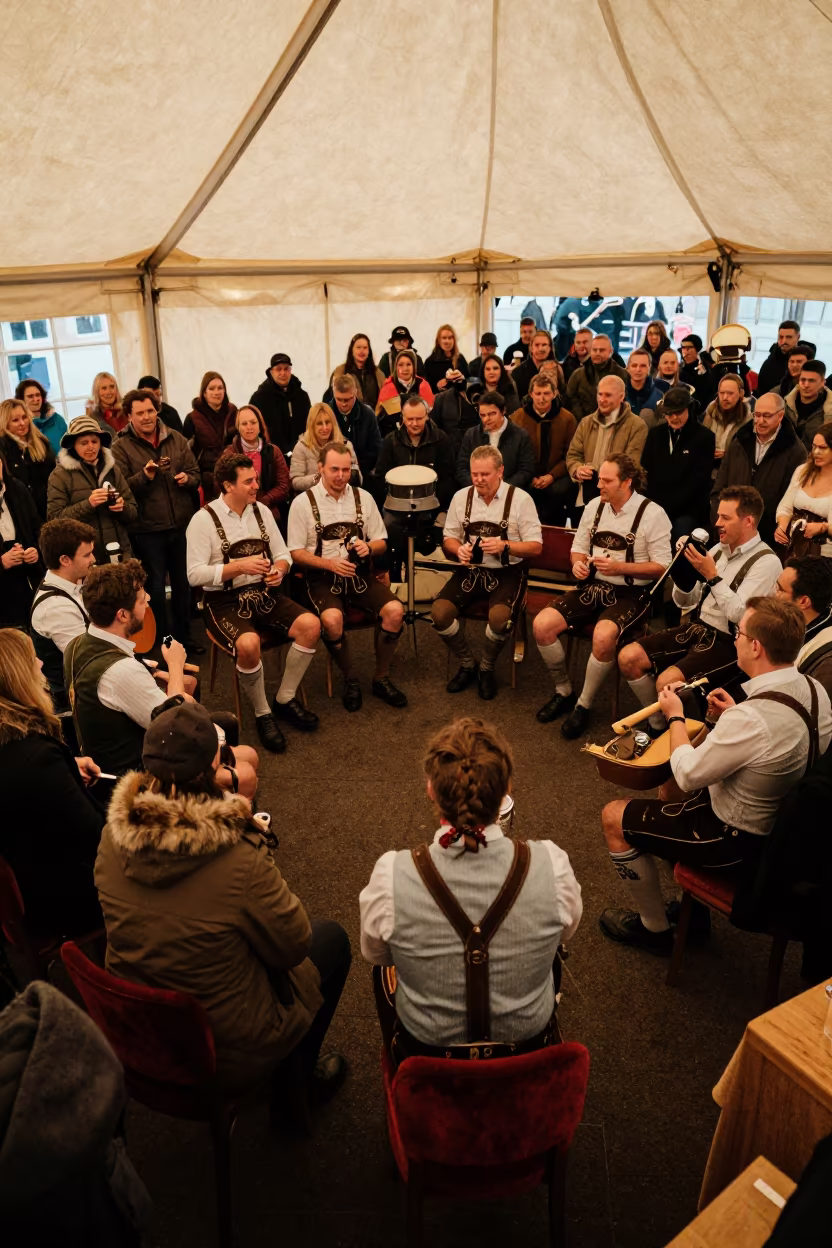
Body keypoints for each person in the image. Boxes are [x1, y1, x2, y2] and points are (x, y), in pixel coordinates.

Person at [95, 698, 350, 1098]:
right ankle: (296, 1090)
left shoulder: (112, 834)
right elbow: (293, 944)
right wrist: (253, 840)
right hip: (222, 1048)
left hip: (141, 1026)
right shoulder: (236, 856)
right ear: (213, 769)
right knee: (331, 939)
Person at [598, 597, 832, 955]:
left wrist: (674, 715)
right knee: (668, 796)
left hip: (735, 842)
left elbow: (689, 774)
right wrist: (732, 717)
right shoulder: (816, 690)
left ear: (755, 646)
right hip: (786, 833)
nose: (735, 639)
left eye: (739, 633)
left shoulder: (751, 719)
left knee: (615, 815)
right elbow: (777, 739)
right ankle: (694, 913)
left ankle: (654, 930)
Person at [359, 717, 582, 1057]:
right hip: (527, 1049)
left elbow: (376, 954)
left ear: (431, 790)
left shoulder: (391, 874)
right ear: (506, 790)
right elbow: (564, 934)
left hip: (429, 1055)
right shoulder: (552, 865)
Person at [65, 560, 257, 793]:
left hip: (107, 754)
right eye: (142, 599)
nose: (148, 602)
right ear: (122, 615)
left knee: (241, 750)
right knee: (246, 768)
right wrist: (175, 664)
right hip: (130, 781)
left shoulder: (77, 644)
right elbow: (176, 725)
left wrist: (152, 671)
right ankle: (233, 823)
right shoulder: (120, 671)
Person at [618, 485, 782, 732]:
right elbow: (686, 603)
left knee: (667, 682)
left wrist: (712, 576)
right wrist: (682, 574)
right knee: (628, 657)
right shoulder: (716, 551)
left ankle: (682, 734)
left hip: (732, 641)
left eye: (725, 517)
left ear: (748, 521)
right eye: (717, 516)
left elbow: (740, 616)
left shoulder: (767, 562)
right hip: (698, 628)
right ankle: (661, 723)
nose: (717, 523)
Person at [187, 452, 321, 751]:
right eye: (248, 481)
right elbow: (194, 575)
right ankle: (263, 713)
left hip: (264, 592)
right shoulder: (202, 520)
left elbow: (283, 553)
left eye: (256, 479)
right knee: (249, 645)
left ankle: (284, 698)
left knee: (311, 625)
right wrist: (239, 567)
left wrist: (279, 570)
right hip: (221, 601)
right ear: (227, 486)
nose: (256, 486)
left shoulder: (261, 511)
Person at [534, 454, 671, 737]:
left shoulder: (653, 514)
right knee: (542, 625)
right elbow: (578, 548)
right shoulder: (594, 507)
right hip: (593, 586)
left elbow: (661, 568)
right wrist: (578, 564)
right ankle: (564, 691)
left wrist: (621, 567)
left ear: (627, 482)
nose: (599, 485)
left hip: (632, 592)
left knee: (603, 636)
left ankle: (583, 705)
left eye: (607, 480)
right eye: (599, 479)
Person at [287, 441, 407, 711]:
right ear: (320, 468)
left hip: (359, 574)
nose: (341, 476)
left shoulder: (363, 497)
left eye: (346, 469)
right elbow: (294, 552)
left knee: (395, 611)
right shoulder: (302, 504)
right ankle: (350, 678)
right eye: (334, 470)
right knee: (332, 619)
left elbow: (382, 541)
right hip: (320, 578)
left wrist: (369, 546)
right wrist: (329, 565)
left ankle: (381, 677)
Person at [0, 628, 104, 938]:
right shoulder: (38, 758)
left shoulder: (15, 746)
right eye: (33, 659)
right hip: (67, 896)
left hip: (30, 877)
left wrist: (68, 767)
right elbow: (97, 838)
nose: (42, 665)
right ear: (18, 677)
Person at [432, 447, 542, 699]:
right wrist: (458, 549)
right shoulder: (461, 497)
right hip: (472, 570)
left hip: (508, 571)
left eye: (485, 474)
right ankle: (467, 663)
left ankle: (486, 667)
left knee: (500, 619)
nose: (479, 479)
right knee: (438, 614)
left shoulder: (521, 499)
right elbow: (448, 537)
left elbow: (536, 547)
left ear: (500, 471)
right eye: (474, 474)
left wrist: (506, 545)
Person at [112, 388, 202, 653]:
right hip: (147, 530)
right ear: (129, 416)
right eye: (140, 413)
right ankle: (163, 641)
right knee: (154, 590)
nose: (147, 417)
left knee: (183, 586)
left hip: (181, 525)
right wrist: (146, 475)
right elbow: (122, 488)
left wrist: (188, 480)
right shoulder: (120, 447)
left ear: (157, 410)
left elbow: (196, 473)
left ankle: (185, 637)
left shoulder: (175, 438)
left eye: (150, 410)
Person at [372, 396, 455, 577]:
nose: (414, 423)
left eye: (419, 418)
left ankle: (425, 575)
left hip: (432, 505)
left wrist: (436, 504)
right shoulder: (390, 441)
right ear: (402, 417)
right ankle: (393, 572)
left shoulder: (440, 440)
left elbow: (448, 478)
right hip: (395, 506)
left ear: (427, 416)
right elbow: (380, 477)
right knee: (388, 526)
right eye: (410, 419)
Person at [711, 392, 807, 545]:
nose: (760, 421)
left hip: (765, 535)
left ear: (780, 415)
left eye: (767, 416)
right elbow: (720, 484)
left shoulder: (795, 451)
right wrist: (721, 519)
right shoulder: (740, 440)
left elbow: (788, 498)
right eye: (757, 415)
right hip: (729, 529)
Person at [46, 415, 137, 565]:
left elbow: (133, 512)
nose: (91, 447)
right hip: (84, 559)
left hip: (120, 553)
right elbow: (55, 520)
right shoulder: (59, 475)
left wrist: (122, 507)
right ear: (73, 445)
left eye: (94, 441)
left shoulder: (113, 469)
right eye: (84, 443)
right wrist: (89, 504)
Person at [30, 517, 96, 710]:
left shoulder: (76, 583)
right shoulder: (55, 607)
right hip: (74, 704)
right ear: (65, 560)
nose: (93, 560)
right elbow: (89, 660)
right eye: (87, 555)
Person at [565, 375, 648, 516]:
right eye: (600, 394)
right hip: (586, 491)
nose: (602, 399)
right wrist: (577, 469)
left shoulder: (637, 426)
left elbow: (631, 465)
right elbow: (573, 455)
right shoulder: (586, 422)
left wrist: (606, 479)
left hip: (619, 497)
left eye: (608, 395)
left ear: (621, 397)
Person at [640, 387, 715, 541]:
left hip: (688, 509)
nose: (674, 417)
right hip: (656, 505)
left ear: (689, 409)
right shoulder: (655, 434)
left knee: (680, 531)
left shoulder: (704, 437)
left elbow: (699, 481)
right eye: (669, 413)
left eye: (678, 413)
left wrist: (667, 507)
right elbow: (646, 469)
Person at [511, 374, 577, 524]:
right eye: (538, 393)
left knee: (559, 492)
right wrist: (530, 476)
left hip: (556, 475)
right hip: (527, 474)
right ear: (531, 394)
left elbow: (571, 454)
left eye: (546, 393)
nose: (542, 398)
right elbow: (515, 454)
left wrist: (552, 476)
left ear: (554, 394)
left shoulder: (567, 419)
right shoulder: (517, 418)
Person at [776, 556, 832, 700]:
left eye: (780, 590)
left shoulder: (825, 660)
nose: (773, 595)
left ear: (803, 601)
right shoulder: (792, 625)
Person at [456, 390, 535, 490]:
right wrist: (478, 486)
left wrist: (500, 488)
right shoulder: (471, 435)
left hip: (509, 493)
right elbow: (461, 469)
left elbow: (526, 471)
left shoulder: (520, 435)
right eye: (482, 415)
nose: (486, 419)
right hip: (477, 492)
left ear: (503, 411)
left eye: (491, 414)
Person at [775, 423, 832, 560]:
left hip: (825, 555)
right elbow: (785, 506)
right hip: (793, 549)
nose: (816, 452)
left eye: (823, 448)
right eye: (814, 446)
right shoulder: (802, 471)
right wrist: (782, 526)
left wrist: (823, 527)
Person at [225, 404, 291, 523]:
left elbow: (284, 486)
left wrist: (263, 501)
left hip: (269, 510)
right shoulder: (229, 453)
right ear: (238, 428)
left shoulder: (274, 451)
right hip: (238, 513)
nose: (249, 427)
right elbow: (224, 486)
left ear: (260, 426)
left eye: (253, 423)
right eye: (244, 424)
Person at [0, 455, 44, 630]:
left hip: (27, 579)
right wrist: (2, 562)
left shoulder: (17, 488)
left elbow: (37, 527)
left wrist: (35, 550)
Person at [184, 370, 237, 502]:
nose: (216, 392)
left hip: (233, 475)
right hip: (206, 479)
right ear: (204, 392)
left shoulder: (234, 412)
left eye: (220, 388)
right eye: (211, 388)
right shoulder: (192, 418)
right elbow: (186, 453)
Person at [0, 397, 55, 519]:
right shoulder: (3, 449)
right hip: (22, 513)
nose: (22, 423)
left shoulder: (41, 441)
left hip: (48, 507)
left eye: (24, 417)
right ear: (5, 423)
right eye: (15, 420)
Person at [248, 352, 311, 459]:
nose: (283, 373)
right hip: (271, 456)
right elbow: (253, 428)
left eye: (286, 369)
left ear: (290, 371)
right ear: (271, 372)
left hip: (300, 454)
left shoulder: (301, 396)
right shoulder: (259, 398)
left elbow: (309, 424)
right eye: (278, 369)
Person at [290, 402, 359, 492]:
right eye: (319, 423)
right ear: (312, 425)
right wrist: (319, 477)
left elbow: (358, 477)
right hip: (313, 498)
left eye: (327, 422)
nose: (325, 428)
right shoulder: (301, 447)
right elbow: (296, 482)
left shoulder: (345, 445)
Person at [565, 333, 629, 422]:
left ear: (611, 351)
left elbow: (625, 401)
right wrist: (581, 417)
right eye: (595, 350)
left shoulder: (622, 374)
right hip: (582, 424)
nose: (597, 353)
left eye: (602, 350)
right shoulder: (578, 374)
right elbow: (570, 398)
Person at [330, 373, 382, 481]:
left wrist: (357, 469)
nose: (343, 404)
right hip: (332, 472)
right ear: (333, 395)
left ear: (356, 393)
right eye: (339, 399)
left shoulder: (368, 414)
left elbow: (376, 449)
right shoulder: (326, 413)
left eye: (347, 399)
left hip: (362, 473)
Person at [376, 348, 434, 437]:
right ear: (396, 367)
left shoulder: (423, 386)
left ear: (414, 367)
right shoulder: (388, 387)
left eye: (408, 364)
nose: (405, 368)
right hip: (394, 435)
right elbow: (384, 420)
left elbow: (430, 415)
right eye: (401, 365)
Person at [702, 373, 753, 468]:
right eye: (722, 393)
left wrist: (727, 455)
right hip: (709, 468)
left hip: (734, 470)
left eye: (730, 393)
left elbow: (750, 453)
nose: (725, 397)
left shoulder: (748, 419)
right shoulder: (710, 412)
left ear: (741, 394)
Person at [326, 333, 385, 412]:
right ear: (352, 350)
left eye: (365, 348)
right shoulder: (340, 372)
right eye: (358, 347)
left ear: (369, 351)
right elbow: (331, 398)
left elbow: (384, 398)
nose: (361, 351)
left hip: (374, 421)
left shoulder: (378, 374)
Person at [784, 360, 832, 450]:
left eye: (812, 381)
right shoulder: (786, 404)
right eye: (803, 380)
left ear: (823, 382)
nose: (806, 385)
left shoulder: (829, 411)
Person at [14, 377, 66, 453]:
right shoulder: (20, 425)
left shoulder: (57, 419)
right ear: (21, 399)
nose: (36, 399)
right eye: (30, 396)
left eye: (38, 395)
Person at [511, 329, 563, 402]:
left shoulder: (560, 369)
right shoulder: (518, 373)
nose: (540, 348)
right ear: (531, 348)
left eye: (544, 345)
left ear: (550, 348)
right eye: (537, 345)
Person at [755, 320, 802, 397]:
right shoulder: (769, 364)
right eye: (781, 337)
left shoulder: (807, 360)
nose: (784, 341)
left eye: (789, 337)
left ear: (798, 337)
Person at [423, 324, 469, 393]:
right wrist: (437, 386)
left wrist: (462, 380)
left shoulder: (460, 359)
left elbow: (469, 381)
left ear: (454, 340)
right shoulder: (430, 362)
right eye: (444, 338)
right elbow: (426, 388)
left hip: (459, 401)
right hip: (438, 401)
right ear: (438, 341)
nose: (447, 341)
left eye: (450, 338)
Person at [623, 348, 664, 418]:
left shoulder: (659, 397)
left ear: (649, 368)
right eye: (634, 365)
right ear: (628, 368)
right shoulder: (619, 394)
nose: (638, 369)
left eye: (643, 366)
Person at [679, 333, 716, 406]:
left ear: (697, 350)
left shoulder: (704, 370)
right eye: (683, 348)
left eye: (689, 348)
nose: (685, 351)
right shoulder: (679, 368)